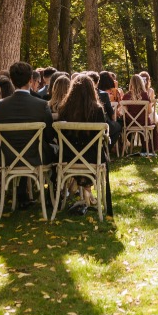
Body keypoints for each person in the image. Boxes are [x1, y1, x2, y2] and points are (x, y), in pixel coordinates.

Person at [0, 62, 56, 208]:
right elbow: (49, 135)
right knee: (57, 152)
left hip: (8, 156)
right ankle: (52, 197)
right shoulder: (41, 105)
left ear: (12, 81)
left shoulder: (0, 106)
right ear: (30, 80)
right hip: (36, 156)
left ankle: (23, 195)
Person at [56, 74, 115, 216]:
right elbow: (99, 137)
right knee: (98, 150)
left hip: (69, 157)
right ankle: (86, 187)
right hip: (92, 157)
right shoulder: (97, 110)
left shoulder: (63, 109)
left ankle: (81, 185)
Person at [120, 73, 158, 151]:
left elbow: (124, 112)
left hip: (129, 123)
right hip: (143, 122)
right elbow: (149, 111)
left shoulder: (126, 96)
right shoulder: (144, 95)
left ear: (131, 84)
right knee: (152, 125)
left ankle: (130, 146)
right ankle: (150, 148)